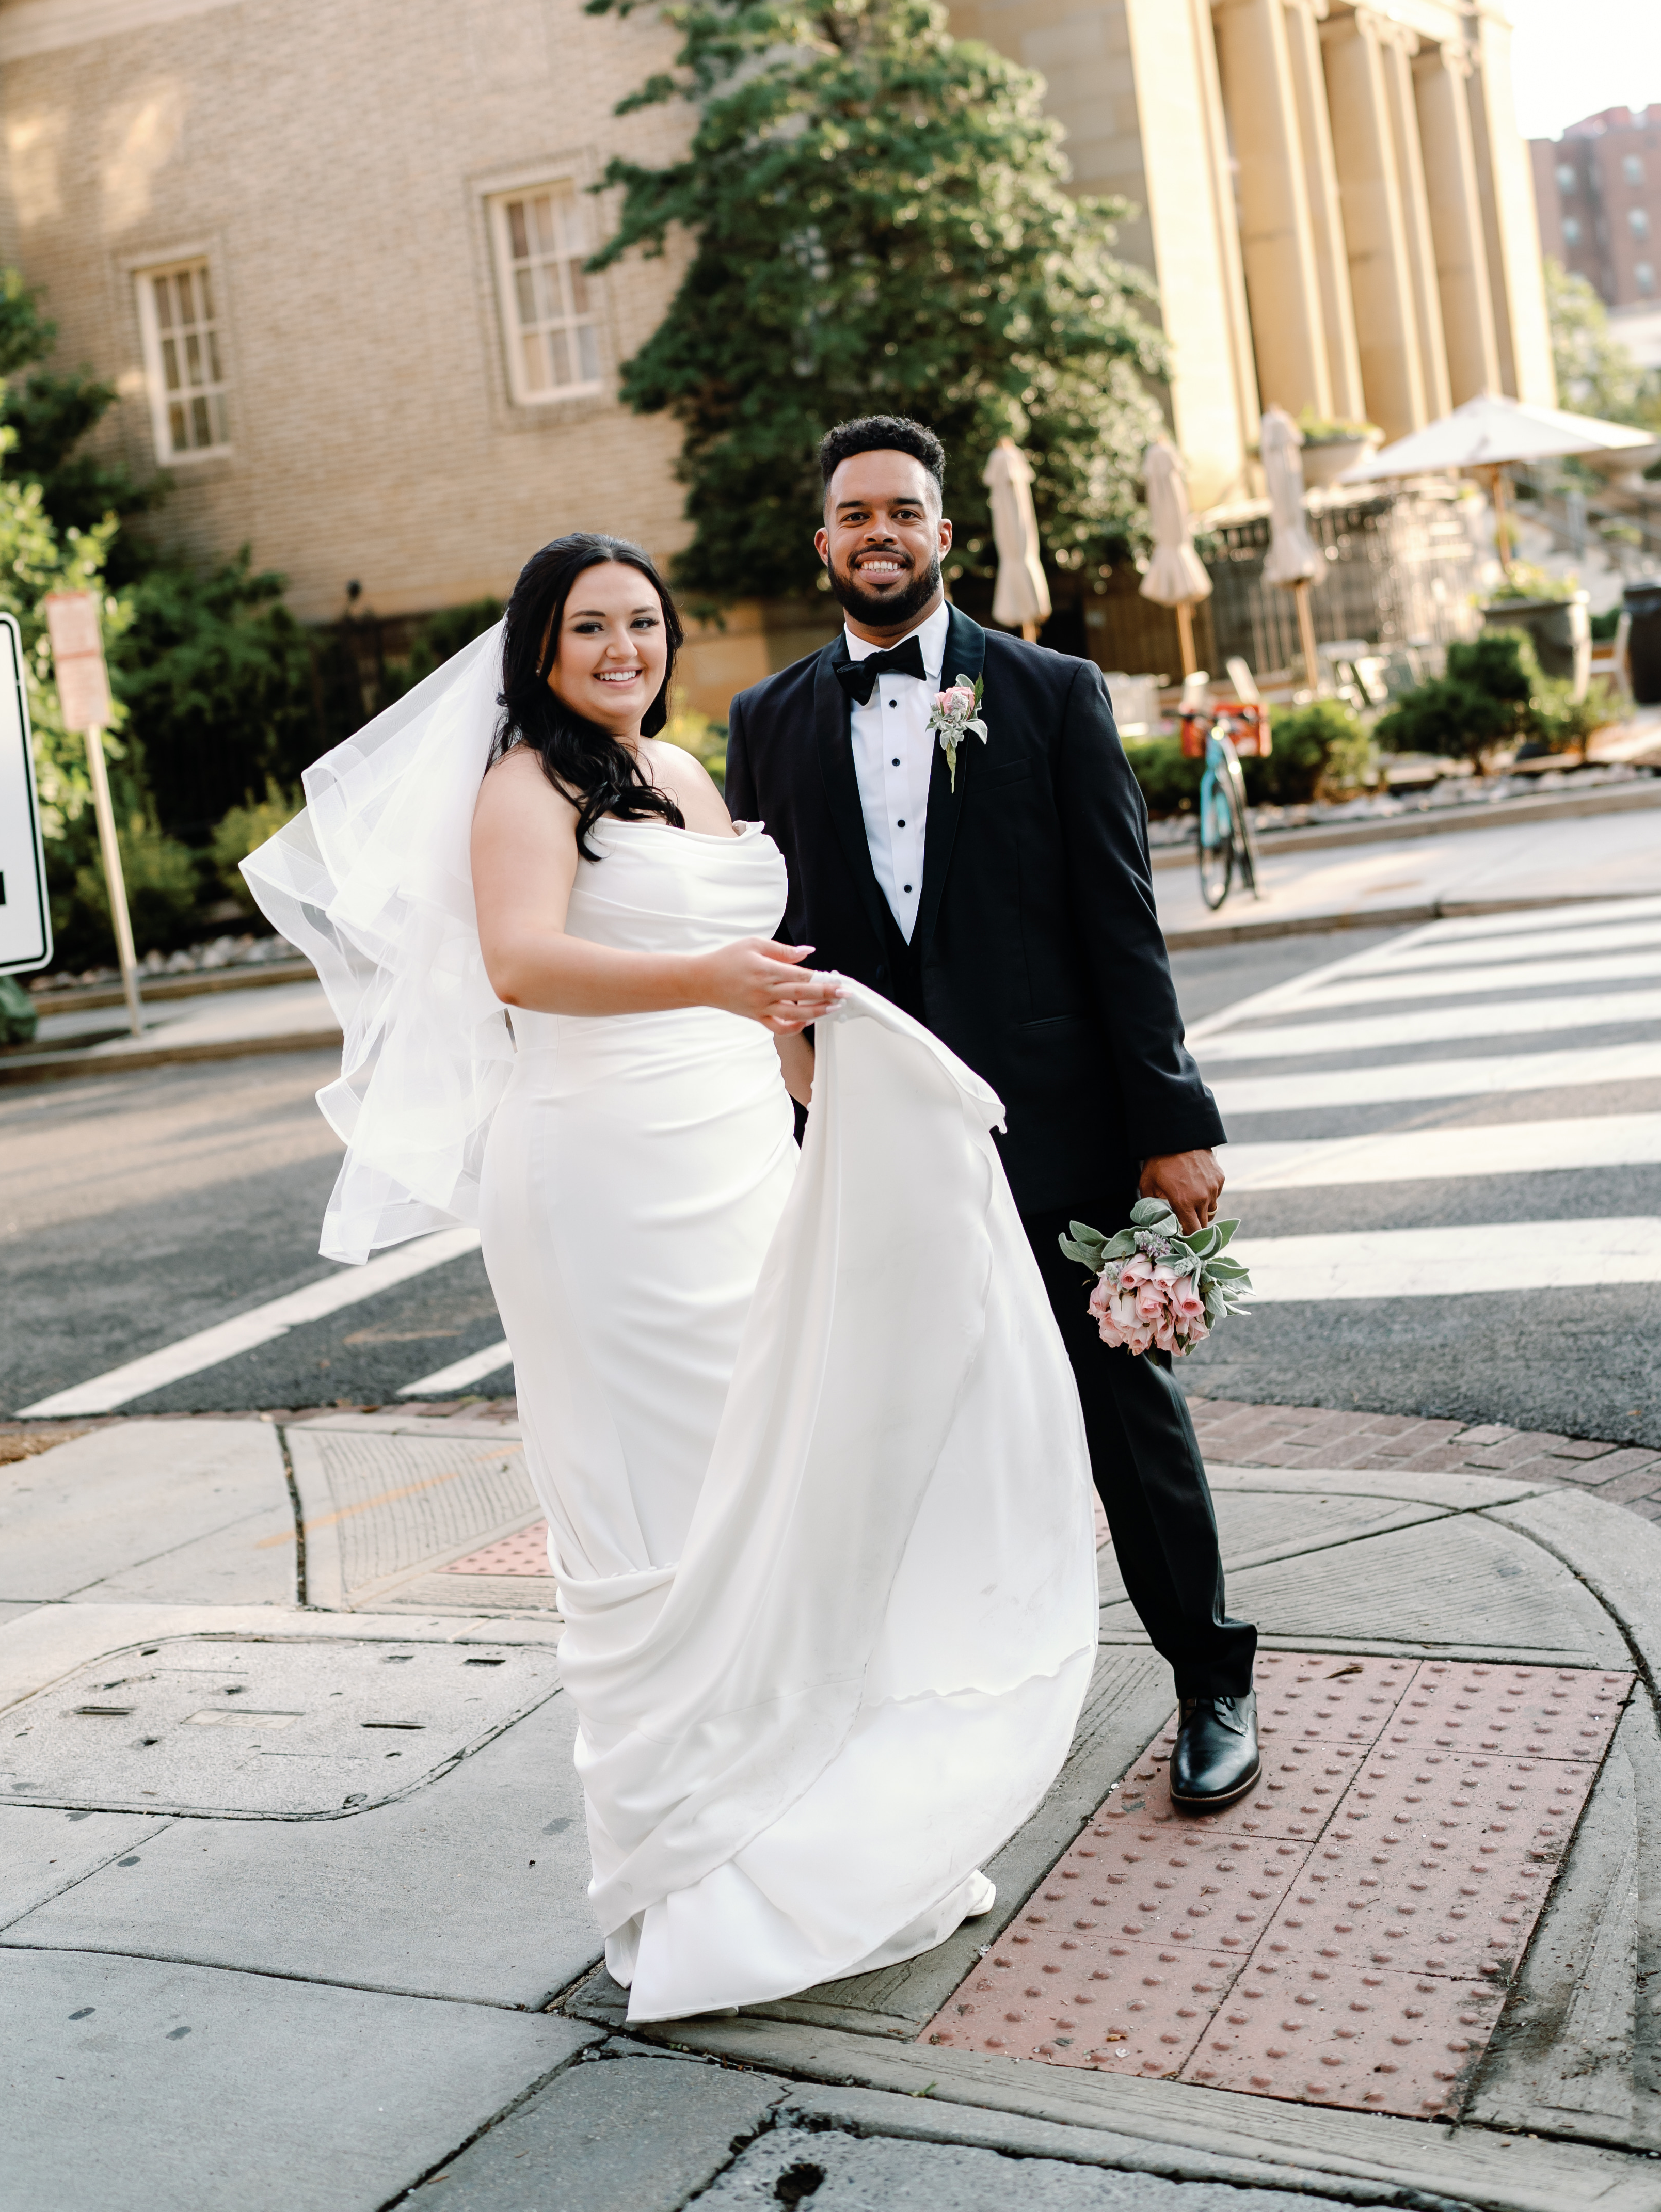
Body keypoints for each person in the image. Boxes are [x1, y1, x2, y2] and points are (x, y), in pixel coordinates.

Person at [245, 532, 1097, 2027]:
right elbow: (522, 963)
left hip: (726, 1154)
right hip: (598, 1179)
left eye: (643, 622)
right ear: (542, 649)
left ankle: (808, 1841)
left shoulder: (687, 777)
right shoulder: (524, 786)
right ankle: (698, 1881)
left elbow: (740, 951)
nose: (624, 648)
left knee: (775, 1473)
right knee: (666, 1503)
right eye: (591, 627)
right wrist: (715, 984)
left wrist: (808, 1063)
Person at [726, 415, 1261, 1816]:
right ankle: (938, 1698)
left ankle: (1212, 1682)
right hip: (873, 1148)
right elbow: (759, 942)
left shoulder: (1052, 693)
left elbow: (1121, 926)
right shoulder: (766, 725)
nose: (879, 533)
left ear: (946, 535)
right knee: (900, 1420)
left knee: (1118, 1408)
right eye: (855, 514)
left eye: (904, 510)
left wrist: (1172, 1116)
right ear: (825, 542)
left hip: (1059, 1130)